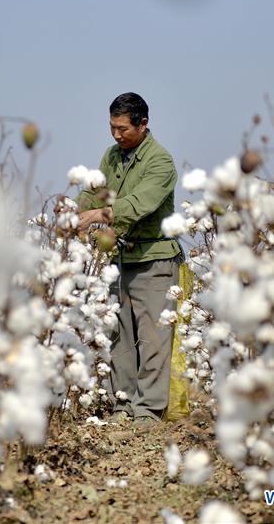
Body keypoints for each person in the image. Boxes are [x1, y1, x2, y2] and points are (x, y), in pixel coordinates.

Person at [76, 92, 181, 428]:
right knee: (119, 336)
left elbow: (137, 205)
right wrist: (74, 209)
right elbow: (95, 191)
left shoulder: (161, 162)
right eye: (112, 127)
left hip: (155, 260)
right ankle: (122, 404)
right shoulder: (112, 155)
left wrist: (95, 215)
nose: (117, 135)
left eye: (123, 129)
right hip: (120, 259)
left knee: (152, 339)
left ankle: (148, 411)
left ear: (143, 124)